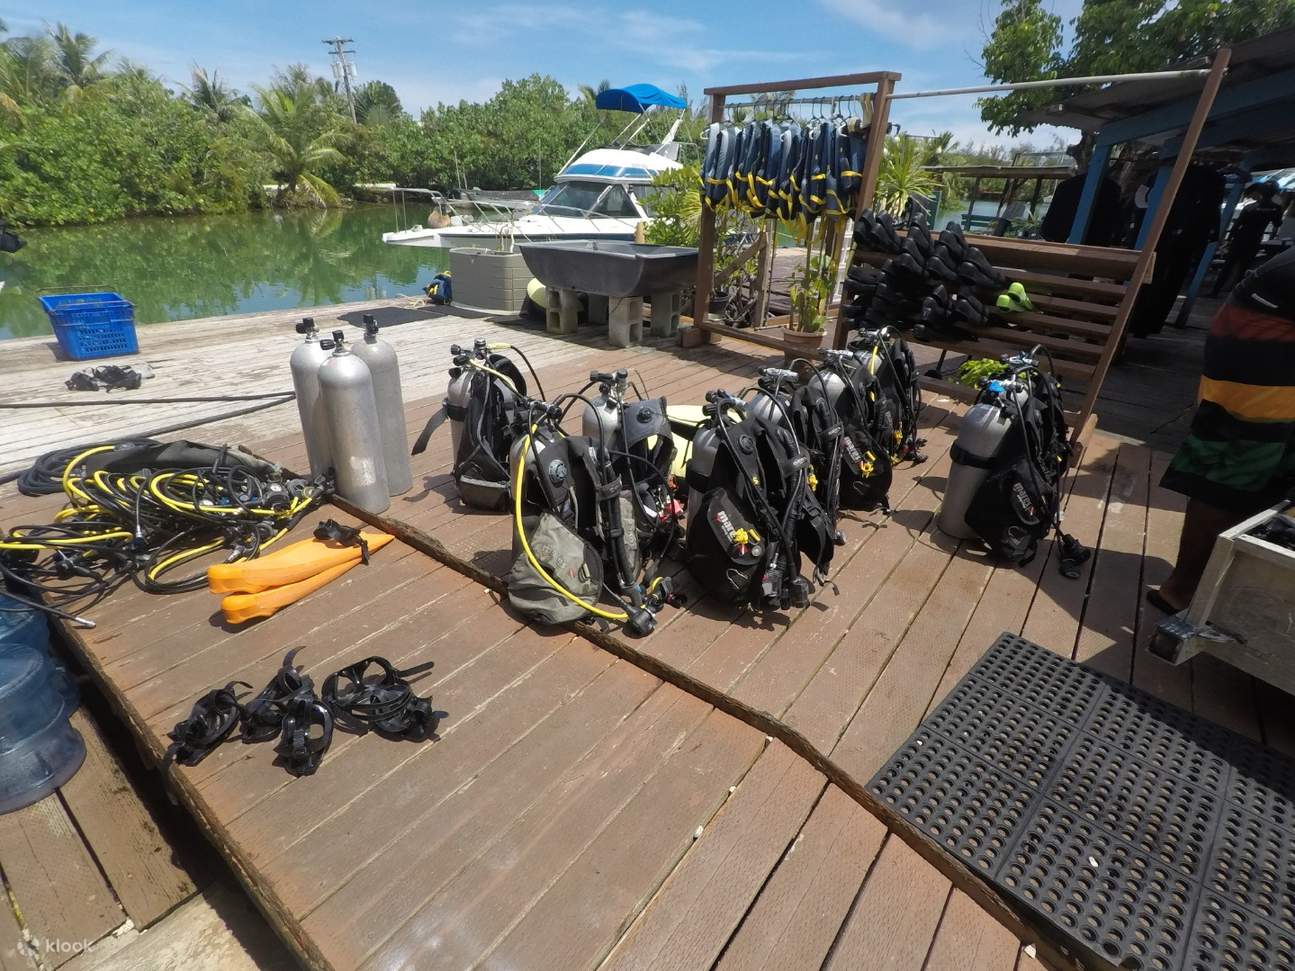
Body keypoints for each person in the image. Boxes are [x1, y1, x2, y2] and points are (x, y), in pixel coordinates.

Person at [1150, 246, 1295, 613]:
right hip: (1260, 343)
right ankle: (1181, 588)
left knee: (1278, 467)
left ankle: (1225, 578)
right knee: (1235, 467)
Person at [1210, 181, 1284, 296]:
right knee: (1244, 267)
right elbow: (1277, 224)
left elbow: (1237, 224)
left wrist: (1229, 239)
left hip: (1240, 238)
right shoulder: (1276, 208)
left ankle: (1215, 291)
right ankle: (1237, 294)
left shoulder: (1250, 207)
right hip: (1255, 240)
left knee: (1228, 266)